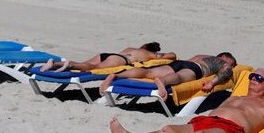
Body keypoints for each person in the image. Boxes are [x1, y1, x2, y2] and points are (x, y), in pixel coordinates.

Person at [110, 68, 264, 133]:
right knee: (168, 129)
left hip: (231, 130)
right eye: (252, 76)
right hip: (208, 121)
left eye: (259, 78)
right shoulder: (235, 97)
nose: (253, 80)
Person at [99, 51, 237, 102]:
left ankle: (115, 76)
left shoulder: (201, 55)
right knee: (179, 77)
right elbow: (226, 70)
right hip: (196, 69)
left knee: (148, 73)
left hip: (180, 62)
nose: (230, 65)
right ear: (223, 57)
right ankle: (163, 82)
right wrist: (212, 83)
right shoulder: (221, 61)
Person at [40, 42, 177, 72]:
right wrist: (159, 55)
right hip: (121, 60)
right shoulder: (148, 54)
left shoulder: (131, 48)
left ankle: (55, 64)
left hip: (108, 55)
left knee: (85, 64)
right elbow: (172, 55)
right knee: (93, 68)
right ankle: (69, 65)